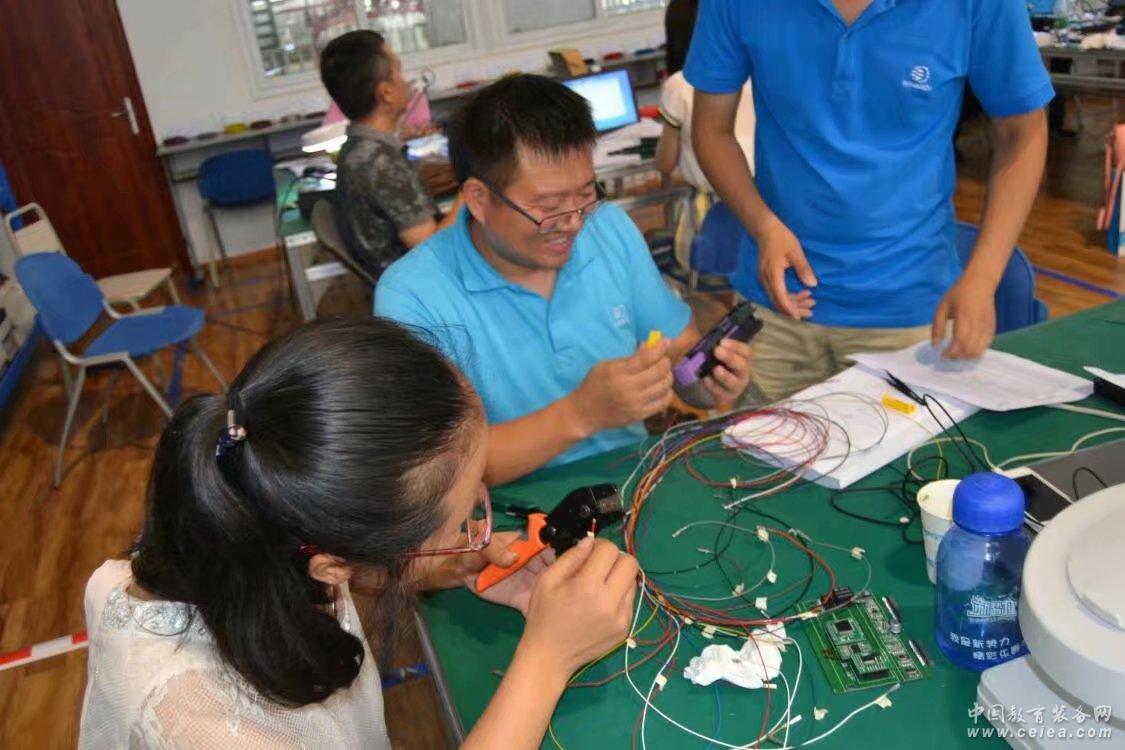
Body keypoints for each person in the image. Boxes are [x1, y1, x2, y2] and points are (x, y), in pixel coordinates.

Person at [77, 317, 638, 749]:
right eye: (465, 518)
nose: (479, 530)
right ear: (335, 562)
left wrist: (444, 564)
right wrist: (548, 658)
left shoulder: (262, 521)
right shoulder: (206, 728)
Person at [375, 74, 755, 486]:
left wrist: (705, 382)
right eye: (549, 205)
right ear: (479, 200)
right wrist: (582, 413)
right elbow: (438, 473)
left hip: (630, 485)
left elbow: (678, 350)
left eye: (586, 194)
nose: (573, 223)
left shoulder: (608, 228)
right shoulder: (413, 296)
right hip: (504, 515)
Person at [686, 0, 1053, 403]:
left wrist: (983, 276)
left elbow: (1023, 132)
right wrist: (763, 225)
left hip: (910, 313)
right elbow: (711, 129)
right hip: (775, 306)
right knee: (760, 445)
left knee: (914, 447)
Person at [320, 30, 460, 279]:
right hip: (423, 288)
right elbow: (434, 253)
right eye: (399, 73)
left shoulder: (355, 150)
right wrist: (470, 192)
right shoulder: (382, 164)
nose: (406, 82)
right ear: (386, 92)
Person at [655, 1, 755, 269]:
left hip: (715, 215)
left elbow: (665, 163)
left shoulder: (679, 84)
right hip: (767, 201)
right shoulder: (754, 69)